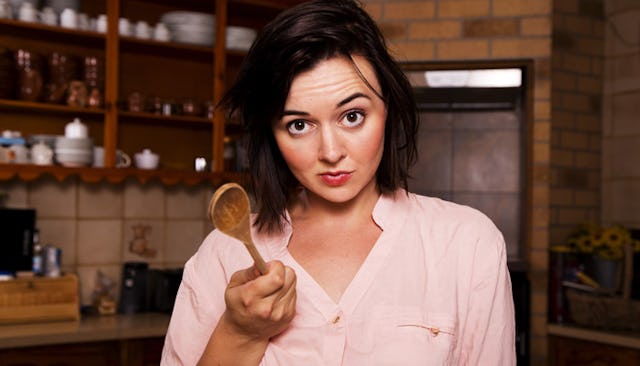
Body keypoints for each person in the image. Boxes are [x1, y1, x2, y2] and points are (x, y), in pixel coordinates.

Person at [161, 0, 516, 365]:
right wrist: (240, 333)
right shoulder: (225, 252)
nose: (330, 152)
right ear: (272, 133)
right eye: (299, 125)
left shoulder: (467, 244)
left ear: (387, 110)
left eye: (352, 116)